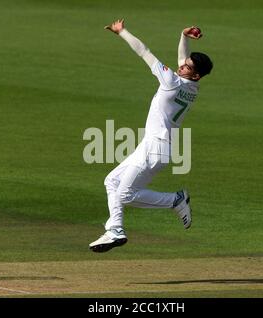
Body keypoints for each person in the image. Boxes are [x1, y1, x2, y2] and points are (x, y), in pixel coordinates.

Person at [89, 19, 213, 253]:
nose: (181, 66)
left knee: (125, 194)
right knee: (112, 181)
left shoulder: (171, 82)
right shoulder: (191, 87)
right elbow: (181, 60)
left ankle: (175, 200)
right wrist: (183, 36)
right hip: (153, 147)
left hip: (154, 150)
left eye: (186, 67)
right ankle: (115, 229)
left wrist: (122, 31)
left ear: (195, 75)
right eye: (184, 64)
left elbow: (144, 52)